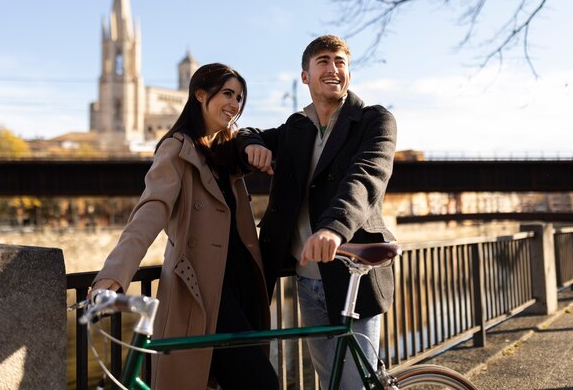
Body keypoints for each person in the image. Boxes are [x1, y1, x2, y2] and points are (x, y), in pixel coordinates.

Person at [91, 63, 278, 390]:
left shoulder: (225, 152)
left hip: (240, 287)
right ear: (201, 95)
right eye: (227, 94)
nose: (234, 104)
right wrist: (114, 275)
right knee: (261, 381)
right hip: (205, 293)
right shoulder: (177, 148)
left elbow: (257, 137)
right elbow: (150, 211)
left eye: (240, 97)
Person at [239, 35, 397, 390]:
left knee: (354, 385)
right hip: (308, 279)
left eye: (340, 62)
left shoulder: (374, 120)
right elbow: (247, 134)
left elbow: (365, 178)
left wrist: (334, 228)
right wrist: (251, 143)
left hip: (351, 274)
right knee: (329, 381)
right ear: (306, 76)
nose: (333, 68)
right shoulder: (298, 127)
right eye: (323, 61)